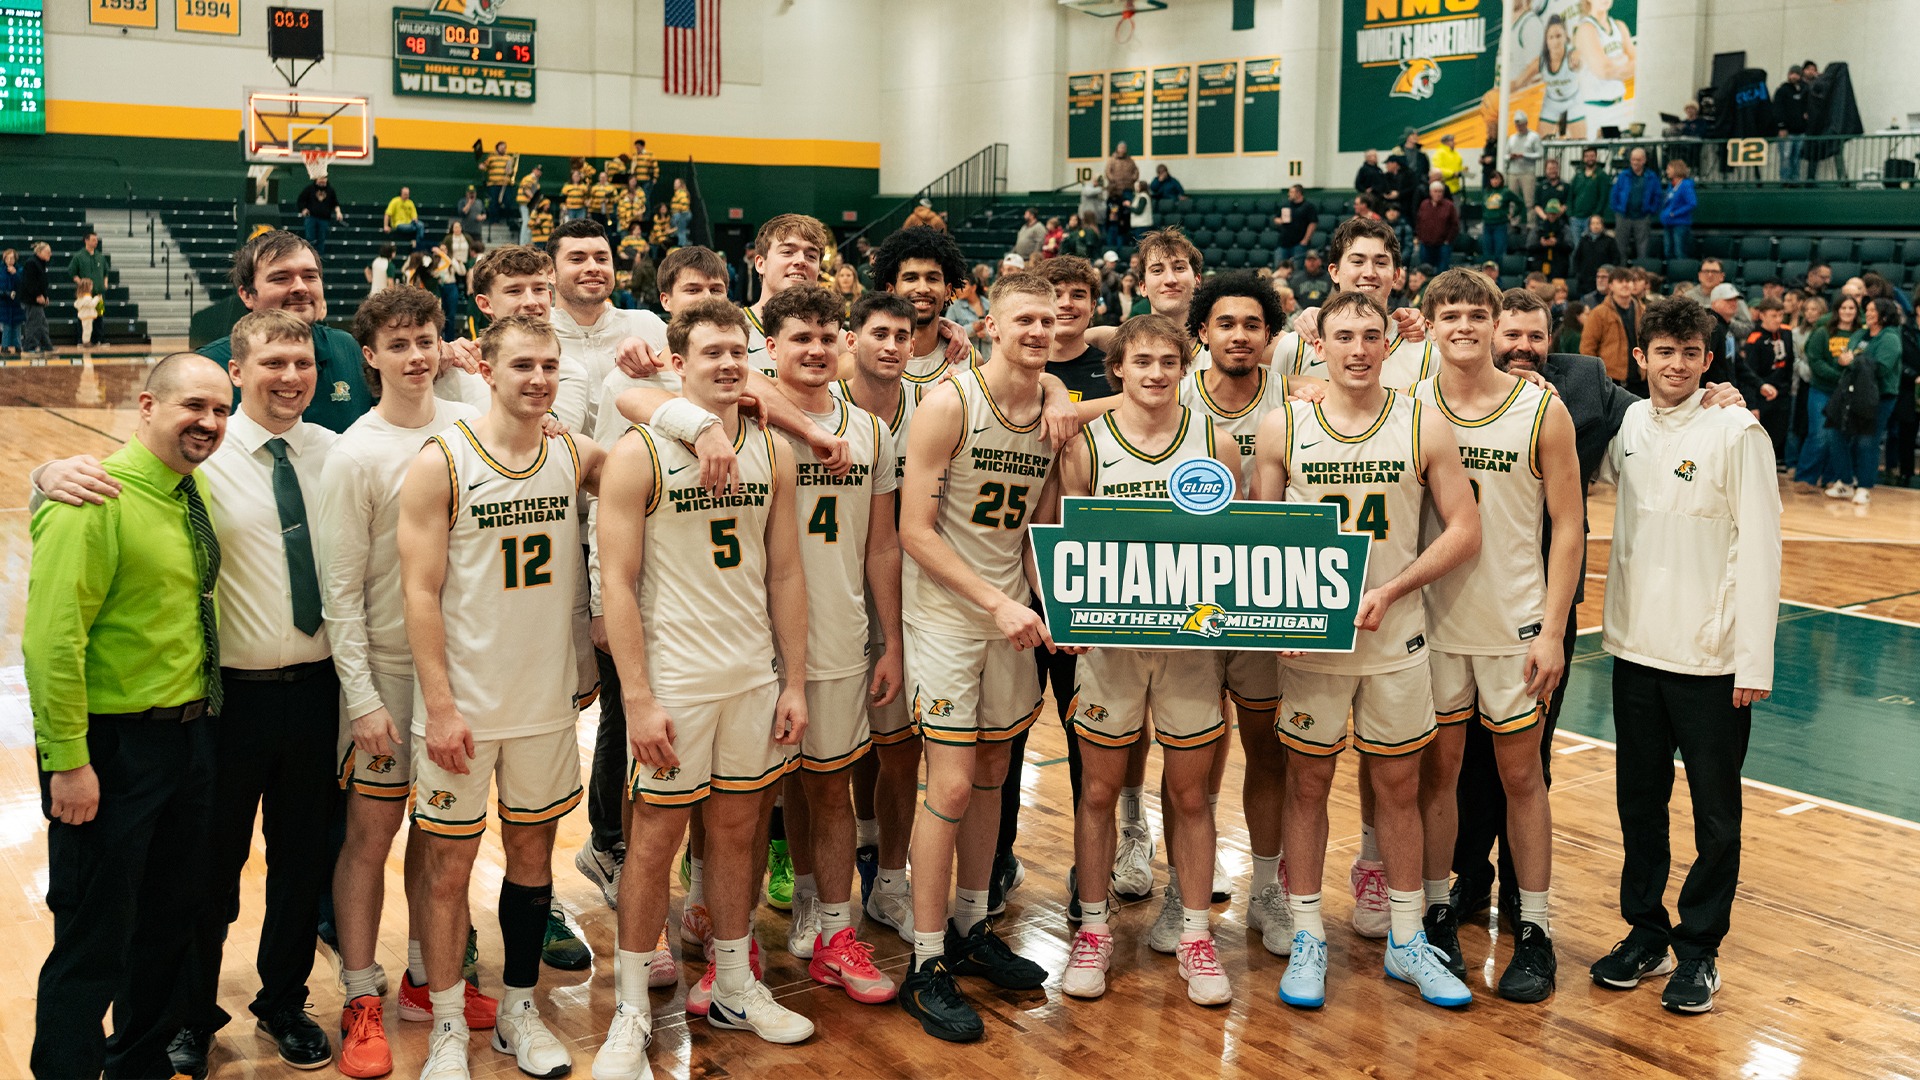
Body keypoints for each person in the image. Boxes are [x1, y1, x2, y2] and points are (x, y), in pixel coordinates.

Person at [593, 298, 814, 1073]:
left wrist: (796, 679)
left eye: (737, 352)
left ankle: (730, 983)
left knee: (737, 831)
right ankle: (629, 1008)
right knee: (654, 841)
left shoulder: (773, 452)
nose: (727, 364)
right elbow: (616, 586)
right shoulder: (639, 454)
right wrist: (639, 696)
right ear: (676, 362)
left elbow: (786, 572)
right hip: (675, 680)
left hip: (752, 675)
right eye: (710, 351)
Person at [1251, 289, 1481, 1010]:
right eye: (1342, 335)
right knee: (1308, 787)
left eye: (1369, 335)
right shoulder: (1283, 427)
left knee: (1399, 791)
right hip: (1314, 647)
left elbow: (1462, 530)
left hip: (1395, 635)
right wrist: (1277, 619)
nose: (1356, 348)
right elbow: (1260, 536)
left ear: (1390, 344)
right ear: (1315, 344)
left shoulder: (1423, 421)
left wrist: (1393, 589)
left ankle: (1409, 941)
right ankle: (1310, 932)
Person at [396, 314, 608, 1079]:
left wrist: (697, 423)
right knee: (448, 871)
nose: (540, 378)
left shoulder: (571, 452)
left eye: (550, 365)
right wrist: (442, 706)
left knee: (532, 863)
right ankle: (450, 1019)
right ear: (486, 368)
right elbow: (419, 595)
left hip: (545, 705)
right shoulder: (442, 461)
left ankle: (520, 1007)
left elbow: (645, 468)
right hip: (463, 708)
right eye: (523, 364)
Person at [23, 352, 228, 1079]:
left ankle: (138, 1067)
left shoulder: (186, 490)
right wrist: (68, 761)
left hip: (187, 741)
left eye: (221, 411)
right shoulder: (93, 498)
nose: (209, 422)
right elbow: (51, 642)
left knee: (167, 931)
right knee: (92, 944)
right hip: (108, 753)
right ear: (146, 406)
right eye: (193, 406)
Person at [316, 287, 503, 1079]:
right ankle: (362, 994)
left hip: (462, 674)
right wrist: (361, 700)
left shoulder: (468, 428)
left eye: (427, 339)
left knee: (445, 833)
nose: (417, 355)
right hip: (388, 677)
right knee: (371, 836)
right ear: (371, 356)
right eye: (399, 344)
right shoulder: (354, 452)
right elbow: (341, 593)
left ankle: (431, 977)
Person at [1590, 295, 1780, 1016]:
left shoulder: (1737, 431)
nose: (1676, 365)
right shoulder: (1631, 422)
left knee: (1714, 815)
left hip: (1712, 661)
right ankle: (1645, 932)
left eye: (1690, 354)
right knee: (1640, 804)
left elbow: (1761, 547)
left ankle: (1700, 949)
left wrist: (1751, 660)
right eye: (1662, 352)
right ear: (1640, 358)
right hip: (1636, 650)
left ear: (1708, 360)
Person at [163, 310, 341, 1074]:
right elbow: (106, 479)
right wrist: (45, 475)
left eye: (301, 361)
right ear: (236, 371)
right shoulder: (196, 456)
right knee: (208, 866)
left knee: (305, 862)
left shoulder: (340, 453)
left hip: (317, 693)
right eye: (272, 362)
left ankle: (283, 1000)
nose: (291, 375)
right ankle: (189, 1011)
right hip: (228, 700)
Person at [1056, 313, 1241, 1006]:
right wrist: (1066, 609)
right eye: (1143, 362)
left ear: (1184, 366)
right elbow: (1066, 539)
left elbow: (1236, 544)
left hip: (1192, 646)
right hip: (1111, 649)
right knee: (1099, 792)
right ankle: (1095, 931)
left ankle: (1196, 934)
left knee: (1191, 795)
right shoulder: (1089, 445)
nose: (1157, 373)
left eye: (1169, 361)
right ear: (1119, 371)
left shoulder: (1213, 441)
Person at [895, 272, 1061, 1042]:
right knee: (954, 784)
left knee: (995, 774)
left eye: (1050, 320)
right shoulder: (950, 403)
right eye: (1024, 318)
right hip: (948, 618)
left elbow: (1041, 529)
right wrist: (993, 602)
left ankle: (970, 924)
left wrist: (1045, 601)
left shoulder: (1050, 413)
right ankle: (924, 962)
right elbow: (915, 532)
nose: (1038, 330)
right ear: (989, 323)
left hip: (1010, 618)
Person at [1408, 268, 1581, 1003]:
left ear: (1493, 320)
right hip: (1435, 625)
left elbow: (1569, 526)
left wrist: (1552, 628)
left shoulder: (1542, 409)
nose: (1465, 326)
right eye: (1449, 315)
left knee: (1521, 776)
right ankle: (1440, 913)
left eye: (1477, 313)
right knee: (1438, 775)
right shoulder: (1409, 407)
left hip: (1514, 626)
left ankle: (1535, 930)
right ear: (1430, 325)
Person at [1178, 272, 1295, 955]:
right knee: (1190, 754)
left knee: (1267, 749)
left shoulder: (1295, 400)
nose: (1240, 336)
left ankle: (1271, 888)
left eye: (1253, 325)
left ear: (1269, 338)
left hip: (1265, 600)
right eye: (1227, 324)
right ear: (1204, 333)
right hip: (1191, 602)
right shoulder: (1174, 394)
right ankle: (1182, 886)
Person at [202, 230, 373, 432]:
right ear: (247, 295)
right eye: (281, 278)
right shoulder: (209, 367)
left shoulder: (350, 350)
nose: (300, 288)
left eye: (310, 276)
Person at [1828, 298, 1904, 505]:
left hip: (1879, 397)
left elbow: (1881, 367)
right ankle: (1845, 482)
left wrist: (1854, 361)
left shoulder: (1890, 338)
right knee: (1836, 434)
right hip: (1851, 394)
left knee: (1866, 441)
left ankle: (1864, 487)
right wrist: (1844, 360)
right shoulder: (1860, 334)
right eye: (1867, 310)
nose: (1868, 313)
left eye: (1873, 311)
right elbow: (1846, 357)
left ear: (1884, 315)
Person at [1798, 293, 1857, 492]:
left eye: (1852, 308)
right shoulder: (1823, 332)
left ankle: (1832, 478)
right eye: (1844, 308)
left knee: (1839, 436)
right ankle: (1806, 478)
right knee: (1819, 434)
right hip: (1822, 390)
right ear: (1836, 310)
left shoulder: (1861, 334)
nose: (1847, 312)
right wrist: (1839, 377)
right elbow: (1815, 361)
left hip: (1847, 395)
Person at [1741, 298, 1794, 457]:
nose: (1778, 320)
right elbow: (1749, 374)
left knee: (1778, 436)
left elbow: (1789, 362)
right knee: (1759, 440)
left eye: (1780, 315)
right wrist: (1752, 404)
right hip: (1762, 394)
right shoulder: (1754, 339)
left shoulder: (1786, 332)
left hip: (1782, 393)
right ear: (1762, 315)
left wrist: (1786, 388)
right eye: (1773, 315)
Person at [1573, 0, 1636, 135]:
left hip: (1620, 104)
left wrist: (1612, 63)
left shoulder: (1619, 26)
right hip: (1595, 109)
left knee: (1621, 153)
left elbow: (1637, 65)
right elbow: (1603, 71)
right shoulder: (1586, 28)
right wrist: (1624, 60)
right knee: (1595, 154)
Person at [1582, 265, 1643, 384]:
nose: (1625, 285)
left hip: (1640, 377)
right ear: (1611, 286)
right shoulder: (1598, 313)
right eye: (1620, 281)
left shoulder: (1643, 310)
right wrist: (1597, 376)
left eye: (1629, 281)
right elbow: (1587, 348)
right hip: (1611, 378)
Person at [1610, 149, 1661, 261]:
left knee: (1643, 248)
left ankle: (1641, 274)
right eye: (1633, 159)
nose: (1635, 162)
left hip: (1642, 217)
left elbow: (1657, 196)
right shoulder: (1623, 175)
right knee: (1620, 247)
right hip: (1623, 216)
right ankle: (1621, 274)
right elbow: (1614, 193)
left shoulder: (1652, 177)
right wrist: (1617, 208)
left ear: (1644, 160)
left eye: (1638, 160)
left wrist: (1651, 210)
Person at [298, 174, 345, 258]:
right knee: (310, 237)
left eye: (324, 178)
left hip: (324, 219)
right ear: (316, 179)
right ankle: (309, 256)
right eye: (320, 178)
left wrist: (338, 212)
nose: (322, 180)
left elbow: (335, 203)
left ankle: (319, 257)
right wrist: (303, 209)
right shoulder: (309, 189)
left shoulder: (330, 190)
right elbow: (300, 200)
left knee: (321, 238)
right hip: (311, 217)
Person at [1415, 181, 1459, 271]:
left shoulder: (1449, 206)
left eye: (1440, 191)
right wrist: (1420, 237)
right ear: (1430, 192)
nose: (1438, 194)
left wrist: (1448, 240)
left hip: (1443, 245)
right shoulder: (1424, 204)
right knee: (1424, 271)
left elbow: (1455, 225)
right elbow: (1419, 221)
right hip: (1425, 244)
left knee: (1442, 272)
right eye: (1435, 191)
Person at [1571, 216, 1619, 298]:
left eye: (1598, 223)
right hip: (1585, 281)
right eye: (1593, 223)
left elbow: (1616, 259)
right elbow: (1577, 258)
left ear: (1602, 225)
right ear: (1589, 226)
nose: (1595, 226)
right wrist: (1578, 273)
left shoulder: (1609, 241)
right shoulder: (1584, 240)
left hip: (1604, 281)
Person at [1272, 185, 1320, 268]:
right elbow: (1276, 218)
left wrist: (1305, 240)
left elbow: (1313, 223)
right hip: (1283, 243)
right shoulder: (1285, 205)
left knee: (1297, 270)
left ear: (1298, 193)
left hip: (1299, 243)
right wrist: (1279, 221)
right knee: (1279, 268)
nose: (1289, 194)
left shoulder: (1308, 206)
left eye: (1291, 192)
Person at [20, 241, 52, 357]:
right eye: (47, 252)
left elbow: (42, 282)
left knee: (42, 324)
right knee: (34, 324)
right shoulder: (31, 263)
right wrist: (38, 295)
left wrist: (45, 295)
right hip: (32, 300)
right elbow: (30, 282)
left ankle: (47, 346)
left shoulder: (40, 263)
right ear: (39, 252)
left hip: (38, 298)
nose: (50, 254)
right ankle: (29, 348)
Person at [1507, 112, 1542, 212]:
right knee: (1512, 201)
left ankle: (1531, 225)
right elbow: (1505, 155)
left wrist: (1524, 155)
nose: (1519, 127)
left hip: (1528, 172)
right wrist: (1510, 157)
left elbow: (1540, 154)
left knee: (1529, 201)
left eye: (1521, 124)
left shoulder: (1534, 137)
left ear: (1526, 123)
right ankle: (1514, 224)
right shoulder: (1512, 138)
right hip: (1513, 173)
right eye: (1517, 125)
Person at [1660, 160, 1696, 259]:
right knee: (1668, 251)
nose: (1667, 171)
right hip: (1668, 223)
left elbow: (1692, 203)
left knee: (1679, 251)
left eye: (1669, 169)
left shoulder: (1685, 185)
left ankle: (1682, 272)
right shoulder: (1671, 186)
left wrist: (1675, 213)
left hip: (1680, 224)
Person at [1567, 146, 1609, 223]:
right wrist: (1570, 214)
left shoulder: (1602, 175)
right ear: (1583, 158)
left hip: (1592, 220)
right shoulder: (1578, 175)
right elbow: (1570, 195)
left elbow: (1603, 198)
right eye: (1587, 156)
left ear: (1596, 157)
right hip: (1575, 218)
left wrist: (1596, 215)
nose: (1589, 158)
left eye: (1592, 156)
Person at [1481, 172, 1513, 265]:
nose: (1494, 181)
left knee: (1499, 252)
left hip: (1500, 224)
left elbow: (1519, 203)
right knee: (1487, 253)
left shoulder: (1506, 192)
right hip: (1487, 224)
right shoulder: (1486, 191)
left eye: (1497, 179)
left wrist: (1513, 214)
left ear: (1501, 180)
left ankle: (1499, 276)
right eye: (1492, 179)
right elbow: (1483, 206)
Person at [385, 186, 425, 251]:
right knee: (416, 227)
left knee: (421, 225)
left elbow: (414, 215)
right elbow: (387, 214)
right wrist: (386, 226)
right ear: (401, 194)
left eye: (408, 194)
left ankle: (418, 244)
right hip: (399, 224)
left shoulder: (410, 203)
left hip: (410, 224)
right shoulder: (395, 201)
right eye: (405, 194)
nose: (407, 196)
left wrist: (415, 219)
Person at [0, 246, 21, 357]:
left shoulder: (19, 269)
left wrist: (15, 274)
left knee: (17, 326)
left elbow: (23, 283)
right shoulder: (1, 271)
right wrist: (7, 293)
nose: (9, 261)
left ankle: (18, 346)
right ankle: (4, 347)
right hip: (4, 303)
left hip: (16, 303)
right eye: (7, 258)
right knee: (7, 326)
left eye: (12, 258)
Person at [515, 165, 544, 246]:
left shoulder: (535, 180)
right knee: (526, 222)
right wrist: (533, 198)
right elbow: (526, 189)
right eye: (537, 170)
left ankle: (526, 243)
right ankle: (523, 243)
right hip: (525, 203)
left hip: (529, 205)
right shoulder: (529, 178)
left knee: (529, 223)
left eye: (540, 171)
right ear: (533, 170)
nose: (539, 172)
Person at [73, 278, 102, 348]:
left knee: (86, 329)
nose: (92, 286)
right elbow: (91, 304)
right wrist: (97, 298)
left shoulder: (81, 297)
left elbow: (76, 304)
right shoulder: (86, 297)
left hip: (85, 315)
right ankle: (86, 342)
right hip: (87, 315)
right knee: (88, 329)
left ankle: (86, 341)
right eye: (91, 285)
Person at [670, 178, 693, 247]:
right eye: (674, 182)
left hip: (683, 214)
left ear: (680, 184)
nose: (674, 184)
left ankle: (682, 246)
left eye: (676, 183)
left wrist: (678, 212)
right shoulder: (677, 193)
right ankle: (684, 244)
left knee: (681, 231)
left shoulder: (681, 193)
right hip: (680, 214)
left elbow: (684, 206)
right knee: (680, 231)